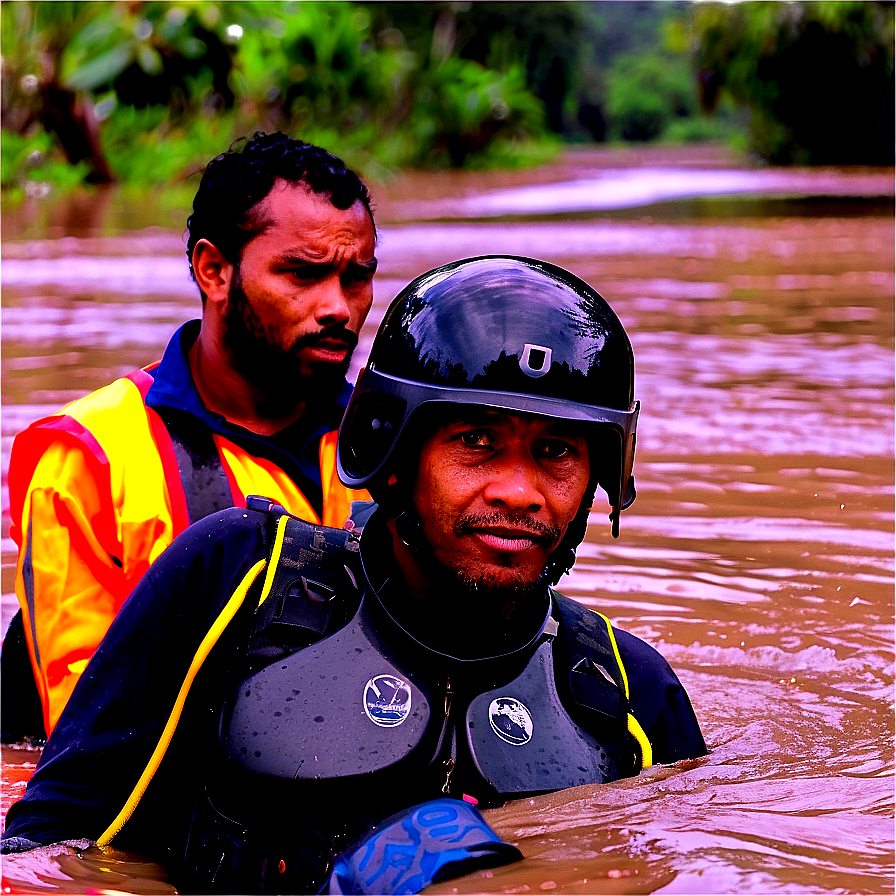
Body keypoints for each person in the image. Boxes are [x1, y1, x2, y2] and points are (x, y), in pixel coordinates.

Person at [2, 257, 706, 895]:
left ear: (596, 482)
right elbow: (49, 854)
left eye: (555, 451)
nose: (519, 491)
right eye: (475, 443)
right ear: (393, 452)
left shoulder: (630, 693)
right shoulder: (233, 582)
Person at [2, 131, 379, 740]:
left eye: (356, 278)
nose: (338, 306)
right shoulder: (90, 456)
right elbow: (87, 736)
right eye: (304, 275)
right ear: (213, 271)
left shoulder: (393, 439)